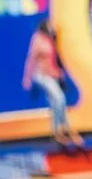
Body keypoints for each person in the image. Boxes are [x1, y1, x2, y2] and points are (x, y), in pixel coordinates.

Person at [21, 18, 81, 150]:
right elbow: (31, 59)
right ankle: (63, 128)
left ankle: (57, 132)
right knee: (60, 99)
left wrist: (60, 76)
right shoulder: (38, 39)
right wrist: (27, 78)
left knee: (56, 104)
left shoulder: (51, 41)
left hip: (51, 76)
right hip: (41, 76)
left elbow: (53, 62)